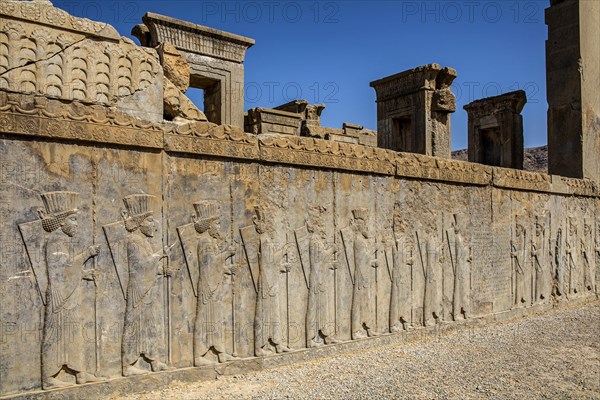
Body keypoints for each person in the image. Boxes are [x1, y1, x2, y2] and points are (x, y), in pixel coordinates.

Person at [38, 191, 103, 389]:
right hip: (61, 299)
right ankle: (49, 377)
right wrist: (87, 254)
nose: (76, 224)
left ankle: (79, 372)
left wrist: (84, 273)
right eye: (73, 219)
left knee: (74, 334)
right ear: (60, 221)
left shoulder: (64, 241)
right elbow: (60, 271)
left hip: (70, 296)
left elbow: (68, 268)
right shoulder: (55, 241)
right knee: (56, 335)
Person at [121, 194, 172, 376]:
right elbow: (140, 267)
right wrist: (159, 256)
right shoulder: (133, 241)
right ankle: (128, 365)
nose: (154, 225)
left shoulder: (144, 242)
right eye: (150, 220)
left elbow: (149, 268)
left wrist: (161, 270)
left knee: (150, 324)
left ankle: (153, 360)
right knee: (134, 324)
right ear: (140, 222)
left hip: (147, 289)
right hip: (138, 290)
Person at [192, 201, 236, 364]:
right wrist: (226, 253)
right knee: (205, 318)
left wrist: (226, 268)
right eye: (217, 224)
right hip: (207, 288)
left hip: (214, 287)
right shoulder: (204, 243)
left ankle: (220, 351)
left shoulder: (211, 243)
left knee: (217, 319)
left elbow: (214, 266)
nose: (219, 227)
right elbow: (208, 266)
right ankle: (198, 356)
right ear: (209, 226)